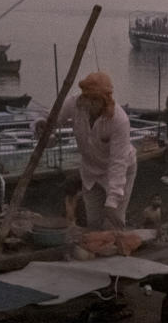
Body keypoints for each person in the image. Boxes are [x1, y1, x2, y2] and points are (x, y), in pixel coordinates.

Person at [46, 71, 137, 230]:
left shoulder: (119, 120)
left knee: (112, 223)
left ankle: (118, 249)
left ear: (105, 99)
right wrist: (47, 130)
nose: (90, 103)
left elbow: (118, 163)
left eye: (96, 99)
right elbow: (52, 119)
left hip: (118, 172)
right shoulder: (74, 104)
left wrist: (112, 201)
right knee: (94, 222)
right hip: (90, 172)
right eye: (88, 97)